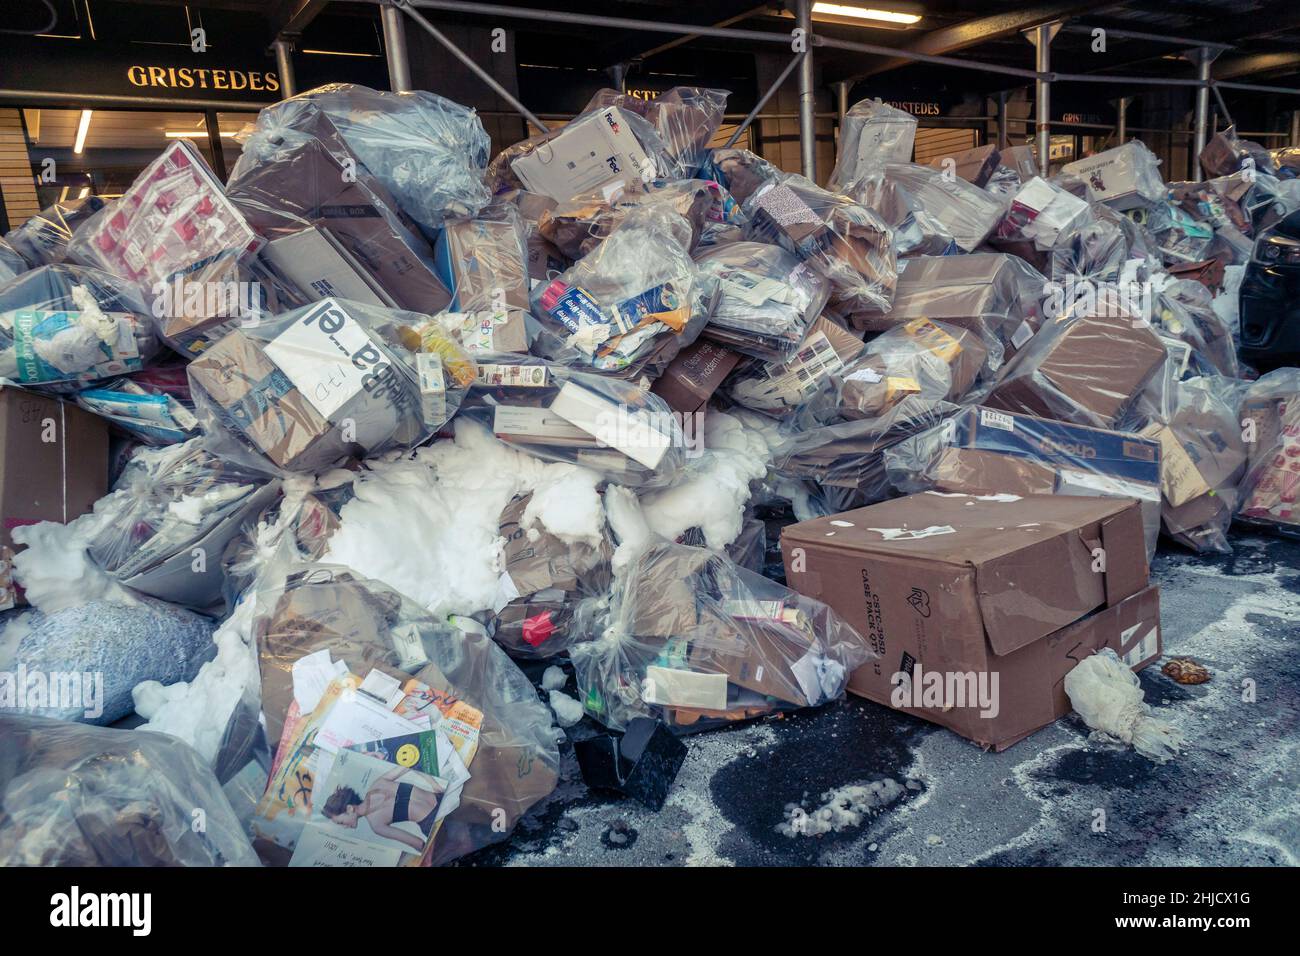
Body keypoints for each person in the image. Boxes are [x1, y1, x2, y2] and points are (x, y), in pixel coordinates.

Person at [322, 766, 444, 852]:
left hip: (432, 822)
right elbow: (411, 763)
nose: (344, 826)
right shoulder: (377, 783)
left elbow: (418, 843)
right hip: (442, 798)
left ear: (349, 809)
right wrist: (434, 785)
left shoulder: (377, 826)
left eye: (341, 822)